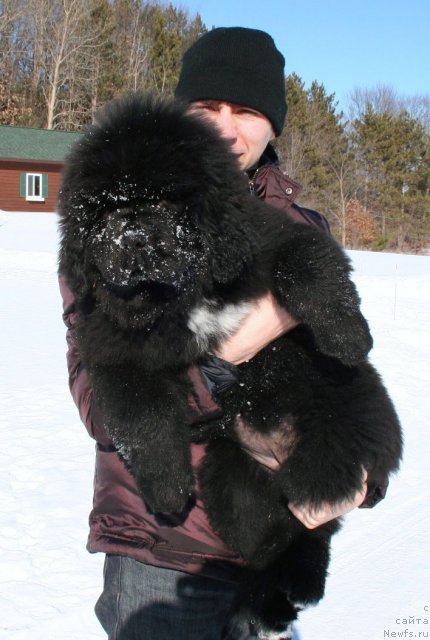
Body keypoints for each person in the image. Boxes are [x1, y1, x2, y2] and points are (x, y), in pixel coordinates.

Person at [59, 27, 368, 640]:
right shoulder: (120, 209)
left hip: (269, 542)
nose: (227, 128)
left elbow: (345, 362)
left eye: (248, 111)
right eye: (208, 108)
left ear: (273, 125)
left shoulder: (303, 227)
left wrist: (356, 476)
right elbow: (99, 399)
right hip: (162, 551)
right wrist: (226, 358)